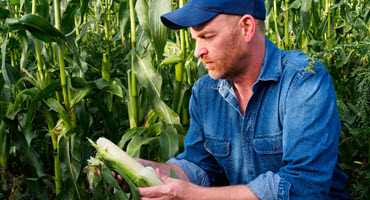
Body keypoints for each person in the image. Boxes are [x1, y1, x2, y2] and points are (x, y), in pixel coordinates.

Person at [115, 0, 352, 199]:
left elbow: (305, 186)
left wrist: (194, 195)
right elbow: (200, 165)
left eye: (207, 36)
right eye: (195, 39)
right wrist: (151, 170)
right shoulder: (205, 92)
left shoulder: (303, 82)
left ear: (246, 27)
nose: (197, 52)